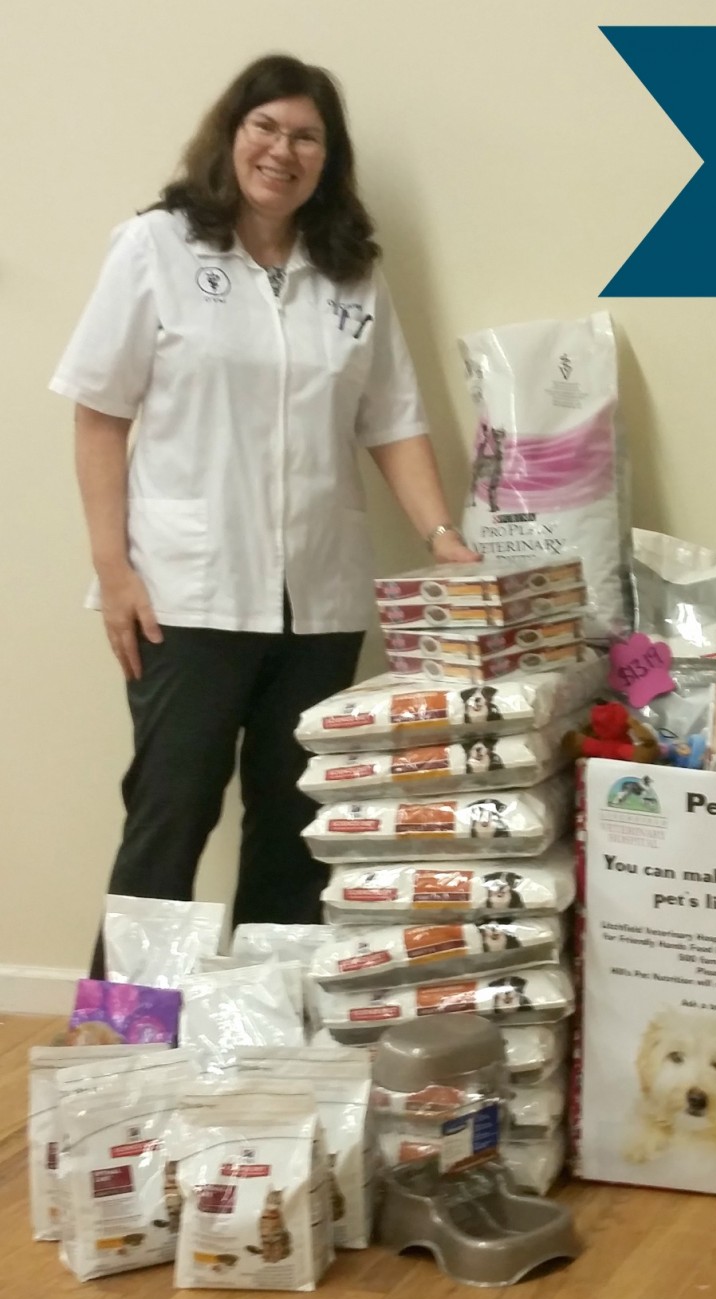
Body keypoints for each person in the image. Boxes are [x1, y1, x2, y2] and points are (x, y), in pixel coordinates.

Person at [50, 54, 479, 968]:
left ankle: (263, 1035)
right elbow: (99, 412)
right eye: (267, 128)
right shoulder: (157, 247)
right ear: (232, 134)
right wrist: (113, 571)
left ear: (330, 158)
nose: (283, 151)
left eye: (307, 136)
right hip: (187, 593)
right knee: (172, 811)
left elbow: (394, 423)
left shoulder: (352, 272)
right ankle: (123, 1035)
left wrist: (445, 537)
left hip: (318, 598)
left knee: (297, 822)